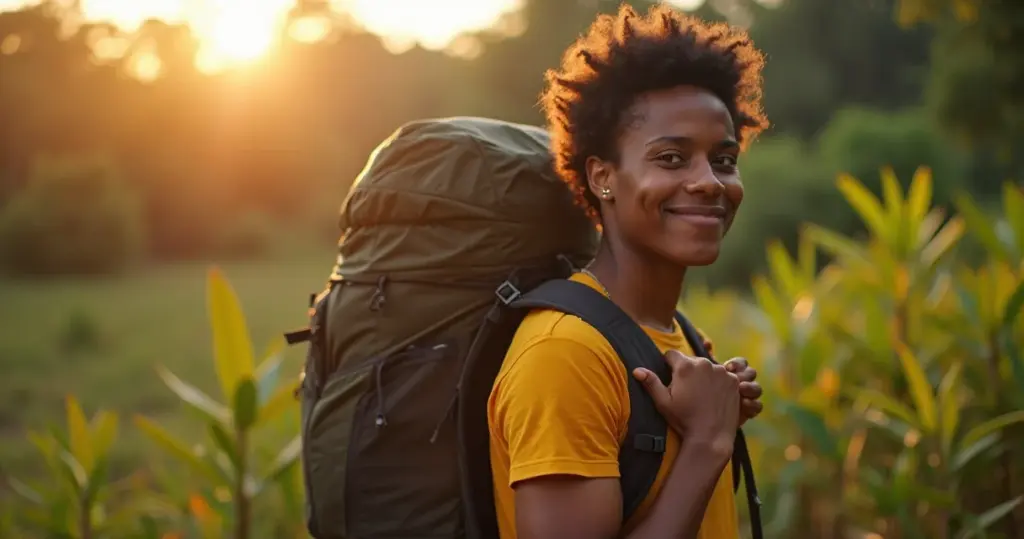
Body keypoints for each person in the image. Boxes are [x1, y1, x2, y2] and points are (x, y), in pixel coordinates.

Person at [486, 4, 770, 539]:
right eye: (670, 158)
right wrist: (708, 441)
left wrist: (715, 412)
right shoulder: (564, 355)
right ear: (602, 177)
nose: (710, 182)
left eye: (725, 159)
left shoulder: (682, 339)